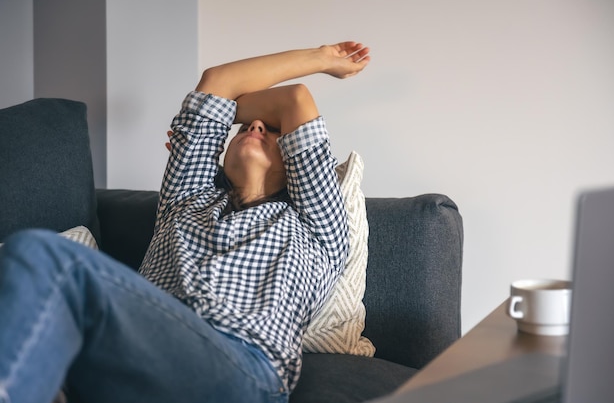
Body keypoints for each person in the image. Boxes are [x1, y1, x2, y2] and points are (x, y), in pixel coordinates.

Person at [0, 41, 370, 403]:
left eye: (271, 129)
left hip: (243, 367)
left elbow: (294, 100)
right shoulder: (188, 197)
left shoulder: (315, 222)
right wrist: (224, 114)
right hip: (138, 347)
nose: (255, 124)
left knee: (41, 254)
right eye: (244, 128)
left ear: (294, 162)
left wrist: (323, 61)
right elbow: (217, 81)